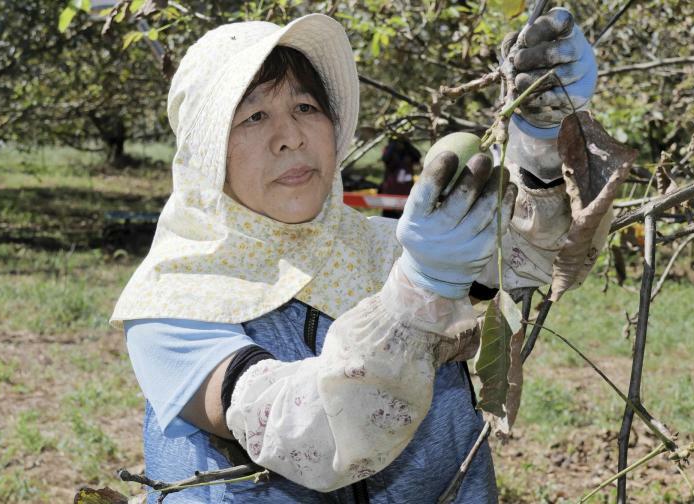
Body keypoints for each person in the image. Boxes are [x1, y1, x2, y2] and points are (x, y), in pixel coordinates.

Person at [111, 8, 599, 503]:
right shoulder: (172, 301)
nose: (291, 137)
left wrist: (542, 147)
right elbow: (305, 435)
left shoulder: (386, 247)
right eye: (254, 116)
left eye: (305, 107)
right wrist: (422, 289)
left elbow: (533, 257)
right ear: (207, 155)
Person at [378, 139, 420, 218]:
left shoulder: (409, 152)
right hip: (391, 190)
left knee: (405, 217)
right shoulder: (389, 150)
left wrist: (407, 143)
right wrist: (393, 143)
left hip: (406, 191)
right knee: (388, 218)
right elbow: (385, 158)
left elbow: (417, 156)